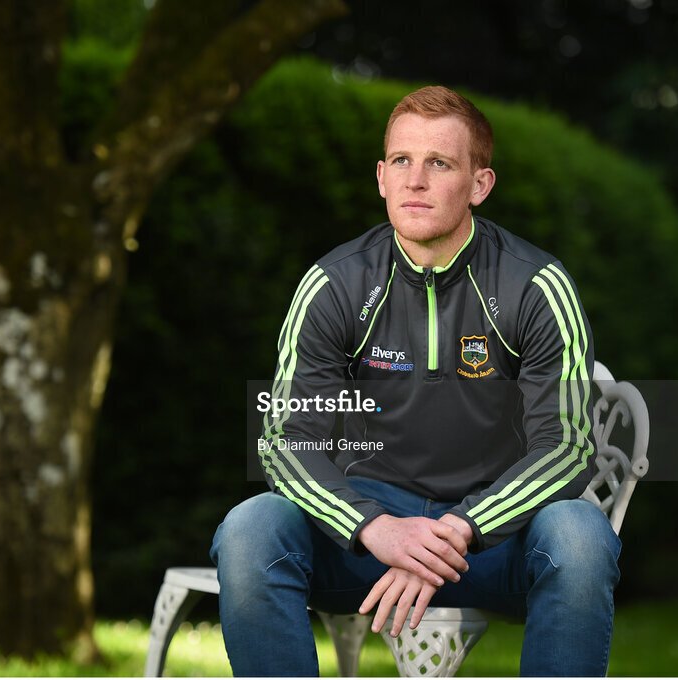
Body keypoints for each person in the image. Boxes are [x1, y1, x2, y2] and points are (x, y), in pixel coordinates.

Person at [211, 85, 620, 677]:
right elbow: (284, 440)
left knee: (580, 535)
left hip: (496, 541)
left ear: (480, 184)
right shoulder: (334, 285)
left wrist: (461, 528)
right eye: (401, 160)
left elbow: (568, 445)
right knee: (251, 528)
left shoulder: (536, 286)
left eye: (440, 163)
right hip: (369, 540)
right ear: (381, 177)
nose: (416, 180)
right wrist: (373, 527)